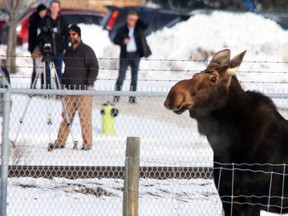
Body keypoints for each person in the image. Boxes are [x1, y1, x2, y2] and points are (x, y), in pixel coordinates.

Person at [52, 25, 99, 151]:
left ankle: (87, 144)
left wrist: (90, 83)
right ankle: (60, 142)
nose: (71, 37)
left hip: (83, 90)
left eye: (74, 34)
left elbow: (94, 67)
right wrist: (63, 82)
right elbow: (66, 69)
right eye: (70, 35)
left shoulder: (87, 50)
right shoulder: (67, 51)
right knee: (66, 118)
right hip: (69, 90)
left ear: (79, 35)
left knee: (84, 118)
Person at [113, 10, 151, 104]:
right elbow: (115, 40)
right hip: (125, 56)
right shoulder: (122, 29)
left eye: (134, 19)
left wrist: (138, 19)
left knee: (134, 77)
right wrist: (123, 41)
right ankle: (116, 97)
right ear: (127, 19)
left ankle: (132, 98)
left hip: (136, 55)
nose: (132, 21)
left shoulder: (139, 28)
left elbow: (146, 24)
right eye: (130, 19)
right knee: (121, 76)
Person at [38, 0, 68, 89]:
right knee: (47, 71)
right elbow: (40, 36)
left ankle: (58, 89)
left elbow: (66, 35)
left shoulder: (62, 21)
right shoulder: (45, 20)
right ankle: (48, 90)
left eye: (56, 7)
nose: (54, 9)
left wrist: (64, 47)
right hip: (47, 50)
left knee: (58, 71)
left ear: (59, 8)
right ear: (50, 8)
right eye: (53, 7)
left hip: (59, 50)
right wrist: (41, 51)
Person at [28, 4, 47, 88]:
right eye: (43, 11)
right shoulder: (34, 21)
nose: (44, 13)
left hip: (43, 47)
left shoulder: (45, 20)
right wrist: (33, 49)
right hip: (36, 47)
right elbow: (32, 37)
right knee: (36, 68)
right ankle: (33, 86)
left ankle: (43, 86)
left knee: (43, 67)